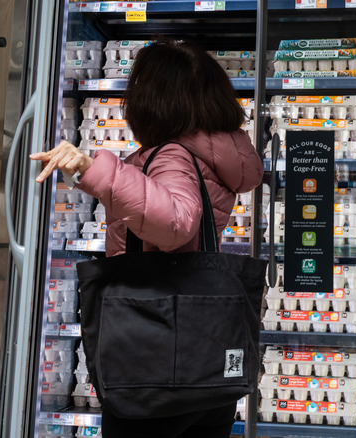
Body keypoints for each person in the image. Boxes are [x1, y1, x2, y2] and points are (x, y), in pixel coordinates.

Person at [30, 39, 263, 437]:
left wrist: (93, 168)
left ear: (153, 99)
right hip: (207, 370)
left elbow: (174, 225)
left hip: (153, 367)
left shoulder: (171, 155)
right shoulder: (204, 156)